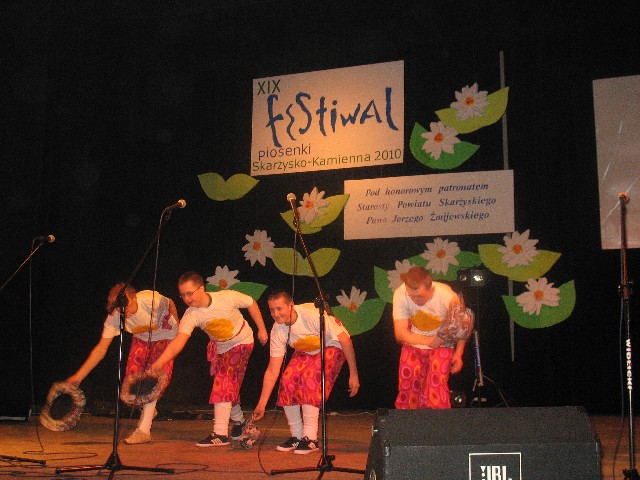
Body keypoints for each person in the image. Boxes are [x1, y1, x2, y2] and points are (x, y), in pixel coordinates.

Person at [150, 271, 268, 446]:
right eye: (182, 295)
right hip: (221, 347)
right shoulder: (191, 315)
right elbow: (179, 341)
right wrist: (159, 362)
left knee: (224, 381)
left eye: (189, 293)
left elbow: (251, 302)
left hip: (242, 342)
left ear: (201, 288)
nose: (186, 298)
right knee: (228, 385)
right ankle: (240, 423)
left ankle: (220, 434)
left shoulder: (226, 297)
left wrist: (262, 329)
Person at [66, 283, 179, 445]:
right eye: (119, 307)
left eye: (127, 305)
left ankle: (144, 430)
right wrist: (79, 376)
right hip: (142, 339)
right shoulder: (115, 316)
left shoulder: (150, 300)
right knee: (131, 386)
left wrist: (178, 327)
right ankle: (149, 409)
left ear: (134, 297)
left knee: (151, 381)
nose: (123, 311)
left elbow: (170, 302)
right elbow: (101, 349)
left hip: (166, 337)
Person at [253, 290, 360, 454]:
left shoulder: (311, 316)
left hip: (332, 345)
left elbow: (345, 340)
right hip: (307, 348)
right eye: (272, 310)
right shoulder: (278, 330)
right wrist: (262, 403)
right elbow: (273, 369)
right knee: (287, 380)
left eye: (279, 308)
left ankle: (310, 439)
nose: (276, 314)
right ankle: (297, 436)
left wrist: (354, 374)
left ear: (291, 305)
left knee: (310, 378)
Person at [392, 266, 467, 409]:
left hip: (442, 345)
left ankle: (437, 422)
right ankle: (406, 421)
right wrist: (428, 341)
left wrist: (458, 353)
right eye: (411, 296)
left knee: (435, 388)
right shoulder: (401, 294)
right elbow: (400, 333)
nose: (415, 300)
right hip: (414, 342)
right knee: (408, 387)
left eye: (420, 296)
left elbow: (463, 327)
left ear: (430, 288)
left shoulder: (448, 296)